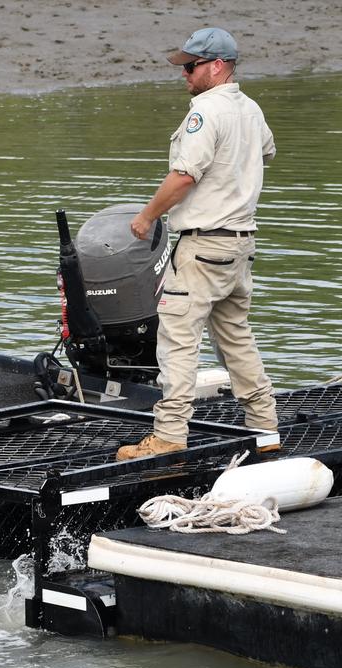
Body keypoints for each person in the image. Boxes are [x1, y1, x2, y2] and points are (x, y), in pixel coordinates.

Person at [117, 28, 279, 461]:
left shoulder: (204, 112)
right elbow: (265, 153)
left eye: (190, 66)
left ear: (217, 66)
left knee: (177, 340)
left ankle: (169, 435)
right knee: (237, 338)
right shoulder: (251, 109)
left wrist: (147, 216)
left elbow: (185, 175)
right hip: (239, 247)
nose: (184, 74)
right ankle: (265, 427)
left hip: (202, 247)